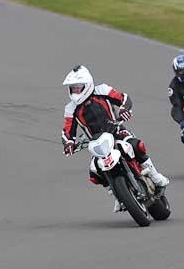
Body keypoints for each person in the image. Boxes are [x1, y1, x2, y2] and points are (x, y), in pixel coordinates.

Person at [61, 65, 169, 212]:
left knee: (136, 145)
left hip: (116, 130)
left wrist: (124, 109)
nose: (75, 91)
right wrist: (68, 142)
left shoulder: (102, 90)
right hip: (96, 142)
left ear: (88, 84)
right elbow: (67, 130)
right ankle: (118, 195)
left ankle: (155, 177)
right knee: (94, 172)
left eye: (78, 88)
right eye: (72, 88)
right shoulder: (70, 108)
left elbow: (123, 98)